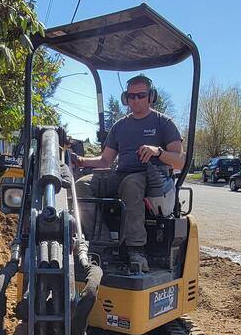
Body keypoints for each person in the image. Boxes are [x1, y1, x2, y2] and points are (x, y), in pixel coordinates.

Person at [73, 74, 184, 274]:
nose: (135, 100)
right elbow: (105, 160)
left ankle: (136, 250)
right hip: (120, 173)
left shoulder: (164, 123)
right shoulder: (120, 126)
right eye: (130, 96)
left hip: (150, 176)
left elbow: (179, 161)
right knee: (81, 185)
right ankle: (102, 240)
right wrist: (81, 161)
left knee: (131, 185)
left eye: (140, 95)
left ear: (151, 97)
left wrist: (158, 151)